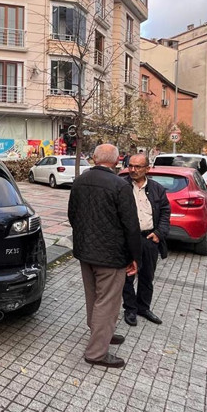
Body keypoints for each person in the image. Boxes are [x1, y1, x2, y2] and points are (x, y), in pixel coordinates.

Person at [68, 144, 142, 369]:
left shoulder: (79, 180)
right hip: (111, 256)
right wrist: (134, 256)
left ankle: (101, 334)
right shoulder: (120, 185)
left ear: (95, 158)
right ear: (117, 159)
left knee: (94, 298)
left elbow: (72, 215)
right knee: (107, 302)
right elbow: (131, 225)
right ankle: (97, 352)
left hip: (85, 252)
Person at [122, 153, 171, 327]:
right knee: (127, 277)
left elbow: (165, 212)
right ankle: (130, 309)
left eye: (138, 167)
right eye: (131, 166)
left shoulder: (157, 188)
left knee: (147, 276)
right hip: (128, 240)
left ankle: (143, 307)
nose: (133, 170)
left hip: (149, 238)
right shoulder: (123, 186)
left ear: (147, 169)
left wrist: (160, 232)